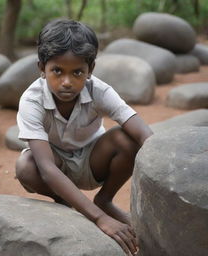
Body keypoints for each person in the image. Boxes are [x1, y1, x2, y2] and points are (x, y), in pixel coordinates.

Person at [16, 19, 153, 256]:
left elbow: (143, 133)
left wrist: (168, 170)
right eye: (57, 71)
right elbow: (46, 168)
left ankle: (104, 200)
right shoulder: (31, 100)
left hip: (93, 162)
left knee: (127, 139)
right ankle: (66, 204)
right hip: (54, 167)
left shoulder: (99, 90)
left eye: (77, 72)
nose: (67, 82)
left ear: (91, 70)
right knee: (26, 166)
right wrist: (100, 220)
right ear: (42, 67)